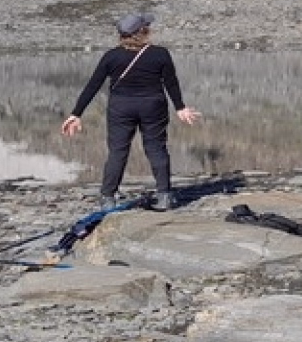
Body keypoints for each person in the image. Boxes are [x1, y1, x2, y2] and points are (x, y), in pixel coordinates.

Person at [62, 13, 200, 211]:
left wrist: (76, 114)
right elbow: (171, 82)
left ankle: (108, 198)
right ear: (143, 31)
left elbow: (93, 86)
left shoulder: (111, 56)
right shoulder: (160, 54)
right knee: (156, 149)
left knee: (117, 152)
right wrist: (180, 107)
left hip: (121, 107)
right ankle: (164, 196)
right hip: (153, 105)